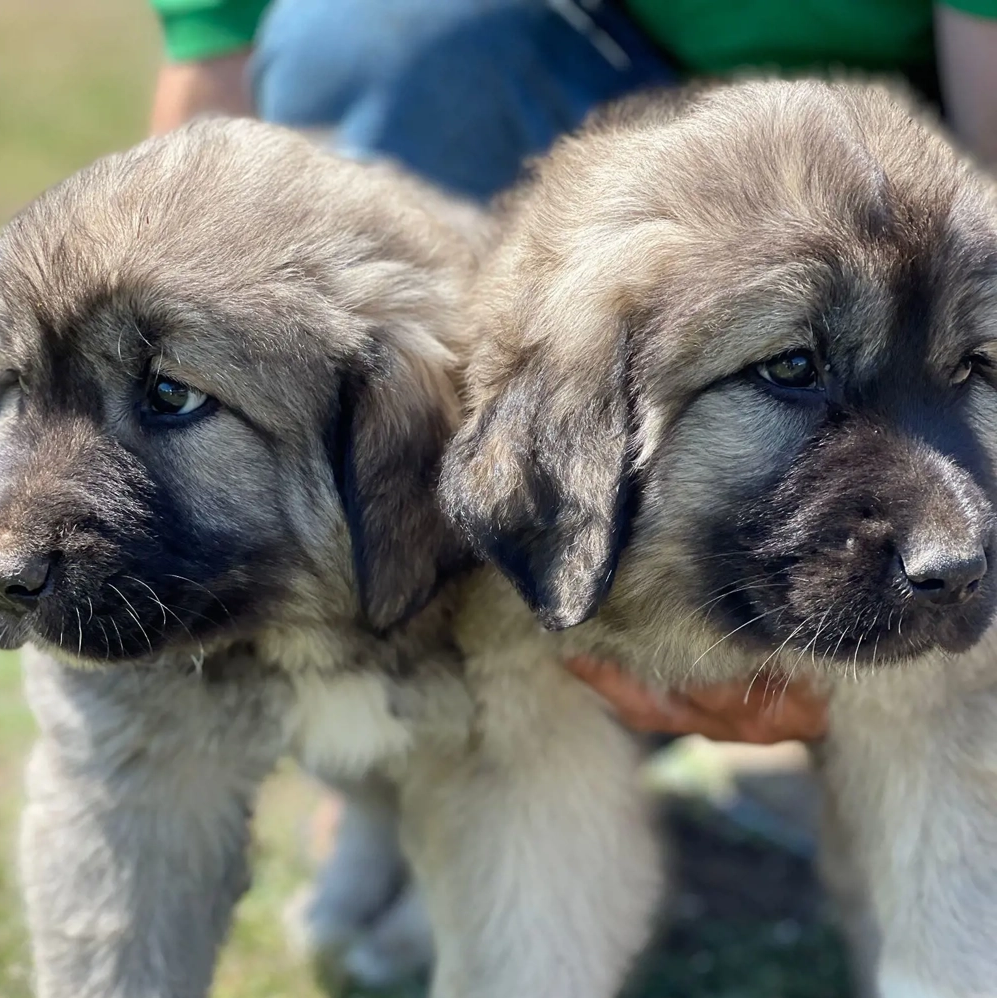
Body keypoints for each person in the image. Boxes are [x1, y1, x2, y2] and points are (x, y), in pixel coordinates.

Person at [144, 0, 997, 743]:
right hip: (588, 245)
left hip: (913, 202)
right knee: (368, 32)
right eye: (794, 368)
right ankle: (421, 705)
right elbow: (211, 143)